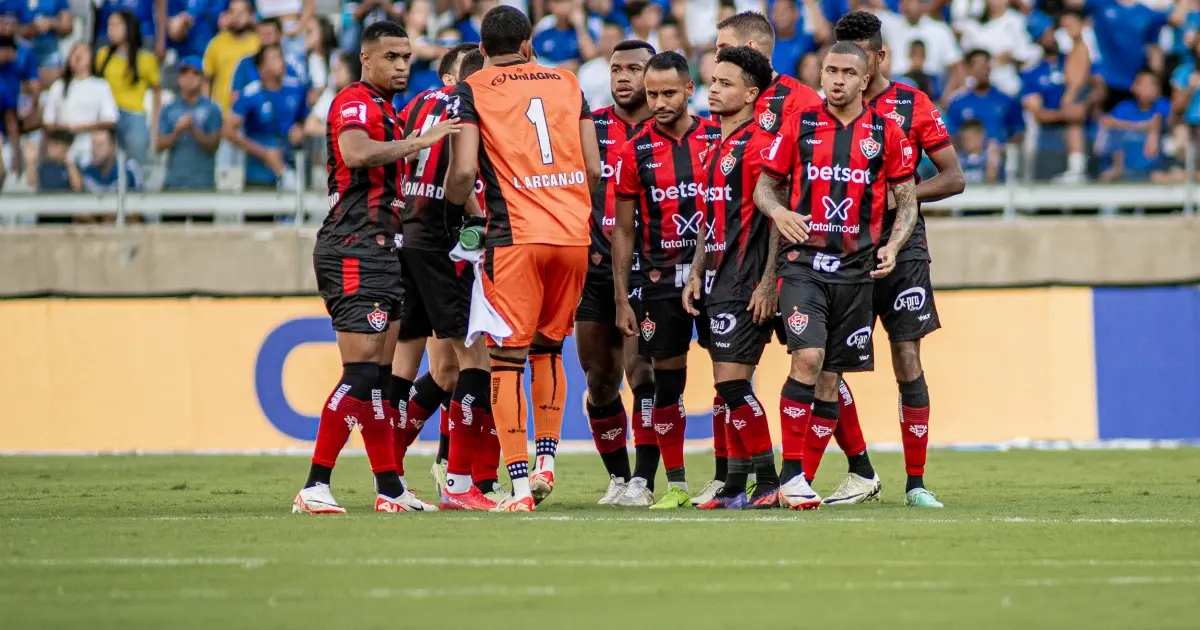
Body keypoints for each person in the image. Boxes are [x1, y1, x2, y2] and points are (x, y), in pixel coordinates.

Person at [293, 20, 460, 515]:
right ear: (367, 58)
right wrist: (420, 142)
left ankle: (390, 489)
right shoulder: (354, 101)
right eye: (392, 57)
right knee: (361, 373)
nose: (402, 65)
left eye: (407, 57)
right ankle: (315, 485)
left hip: (383, 249)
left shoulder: (387, 108)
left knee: (383, 382)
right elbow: (356, 153)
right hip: (353, 247)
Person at [443, 5, 601, 513]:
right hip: (573, 235)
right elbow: (595, 166)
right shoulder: (568, 81)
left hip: (515, 238)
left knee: (507, 359)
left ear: (483, 50)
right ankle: (547, 459)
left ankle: (516, 489)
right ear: (529, 44)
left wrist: (454, 203)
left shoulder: (475, 87)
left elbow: (464, 172)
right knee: (550, 349)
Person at [754, 41, 919, 511]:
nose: (837, 79)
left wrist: (892, 245)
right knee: (806, 359)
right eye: (830, 70)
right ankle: (791, 476)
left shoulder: (886, 132)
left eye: (847, 72)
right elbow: (767, 185)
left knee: (830, 381)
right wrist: (781, 212)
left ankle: (801, 479)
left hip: (856, 272)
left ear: (865, 79)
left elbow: (906, 201)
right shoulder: (800, 123)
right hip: (804, 266)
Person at [824, 11, 964, 508]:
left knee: (907, 358)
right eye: (837, 63)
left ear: (879, 57)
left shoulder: (911, 104)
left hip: (903, 251)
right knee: (826, 364)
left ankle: (917, 483)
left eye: (857, 61)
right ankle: (860, 470)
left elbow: (953, 177)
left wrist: (900, 199)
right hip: (840, 251)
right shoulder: (823, 111)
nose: (845, 73)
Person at [388, 44, 507, 510]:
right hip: (445, 240)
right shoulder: (470, 106)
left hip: (407, 233)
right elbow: (461, 175)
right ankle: (459, 484)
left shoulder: (418, 102)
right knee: (475, 362)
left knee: (409, 364)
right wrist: (478, 220)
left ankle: (389, 477)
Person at [611, 51, 720, 510]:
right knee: (664, 384)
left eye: (668, 93)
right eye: (652, 94)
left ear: (690, 89)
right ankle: (672, 483)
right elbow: (623, 229)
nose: (658, 102)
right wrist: (621, 297)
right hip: (658, 281)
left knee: (730, 380)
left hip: (719, 278)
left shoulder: (718, 138)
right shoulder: (633, 149)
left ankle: (726, 478)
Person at [684, 45, 782, 510]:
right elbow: (710, 221)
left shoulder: (761, 144)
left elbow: (778, 219)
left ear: (751, 93)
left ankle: (768, 481)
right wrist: (696, 272)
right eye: (713, 81)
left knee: (733, 386)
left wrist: (769, 281)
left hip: (746, 279)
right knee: (727, 387)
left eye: (725, 83)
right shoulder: (716, 144)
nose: (714, 90)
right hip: (717, 279)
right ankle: (733, 486)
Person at [575, 39, 658, 506]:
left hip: (651, 269)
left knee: (641, 370)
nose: (623, 77)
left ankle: (644, 481)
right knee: (599, 377)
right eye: (616, 69)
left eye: (634, 68)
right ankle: (620, 478)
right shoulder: (588, 127)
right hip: (594, 266)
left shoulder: (672, 129)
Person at [223, 45, 308, 190]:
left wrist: (300, 130)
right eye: (274, 58)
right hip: (258, 174)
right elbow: (228, 132)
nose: (281, 62)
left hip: (291, 168)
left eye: (281, 57)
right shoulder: (250, 94)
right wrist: (263, 153)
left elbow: (305, 119)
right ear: (261, 68)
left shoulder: (296, 89)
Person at [96, 9, 160, 166]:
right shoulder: (103, 55)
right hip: (108, 116)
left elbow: (157, 90)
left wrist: (155, 125)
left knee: (137, 164)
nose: (111, 30)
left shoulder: (145, 58)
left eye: (116, 25)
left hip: (134, 114)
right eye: (109, 25)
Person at [41, 43, 119, 166]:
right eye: (74, 52)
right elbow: (48, 122)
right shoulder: (58, 86)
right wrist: (65, 128)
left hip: (92, 148)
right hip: (63, 146)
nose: (78, 56)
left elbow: (110, 119)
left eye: (83, 52)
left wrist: (79, 127)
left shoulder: (101, 86)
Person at [157, 56, 222, 190]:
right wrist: (177, 132)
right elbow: (159, 145)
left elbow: (213, 145)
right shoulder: (169, 109)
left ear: (202, 79)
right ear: (178, 78)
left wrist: (193, 129)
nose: (189, 77)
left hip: (203, 184)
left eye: (195, 73)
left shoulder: (212, 109)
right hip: (174, 183)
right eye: (184, 73)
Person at [945, 49, 1024, 149]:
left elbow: (1018, 131)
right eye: (977, 66)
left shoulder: (1007, 101)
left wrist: (1005, 149)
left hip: (1000, 160)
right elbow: (952, 136)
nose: (982, 70)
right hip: (969, 162)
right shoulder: (958, 103)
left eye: (984, 65)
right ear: (969, 70)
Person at [203, 0, 260, 114]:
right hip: (220, 113)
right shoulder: (216, 43)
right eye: (232, 12)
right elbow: (206, 80)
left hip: (251, 115)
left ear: (251, 16)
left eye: (241, 13)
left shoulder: (258, 43)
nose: (236, 17)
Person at [79, 128, 142, 192]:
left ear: (113, 147)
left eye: (100, 145)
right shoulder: (87, 171)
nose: (95, 150)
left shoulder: (127, 170)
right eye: (93, 144)